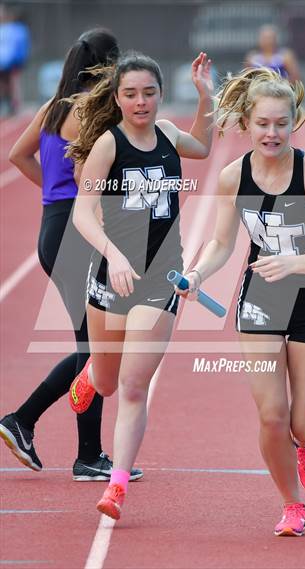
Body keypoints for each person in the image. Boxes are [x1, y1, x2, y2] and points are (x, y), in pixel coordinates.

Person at [177, 67, 305, 536]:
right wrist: (196, 274)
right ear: (247, 124)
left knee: (304, 423)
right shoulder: (235, 177)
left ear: (292, 123)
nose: (271, 132)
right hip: (260, 303)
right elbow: (220, 243)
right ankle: (291, 504)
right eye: (263, 123)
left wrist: (295, 263)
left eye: (280, 123)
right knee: (271, 415)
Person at [66, 51, 213, 519]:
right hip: (113, 276)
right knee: (107, 382)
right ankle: (90, 373)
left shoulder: (169, 134)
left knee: (132, 386)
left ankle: (116, 485)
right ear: (117, 98)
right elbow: (83, 212)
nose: (141, 102)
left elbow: (204, 147)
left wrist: (206, 96)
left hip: (161, 277)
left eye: (149, 92)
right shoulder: (109, 145)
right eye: (130, 94)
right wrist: (113, 254)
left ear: (160, 95)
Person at [0, 29, 142, 482]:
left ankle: (42, 431)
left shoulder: (53, 106)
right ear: (108, 67)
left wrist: (57, 197)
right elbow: (88, 174)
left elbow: (17, 156)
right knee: (95, 348)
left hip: (55, 228)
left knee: (92, 345)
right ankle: (66, 445)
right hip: (76, 235)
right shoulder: (91, 112)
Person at [0, 4, 30, 115]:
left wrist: (17, 60)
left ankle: (16, 105)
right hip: (3, 63)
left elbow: (18, 46)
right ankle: (6, 104)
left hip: (12, 62)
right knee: (3, 85)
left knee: (14, 83)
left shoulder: (16, 29)